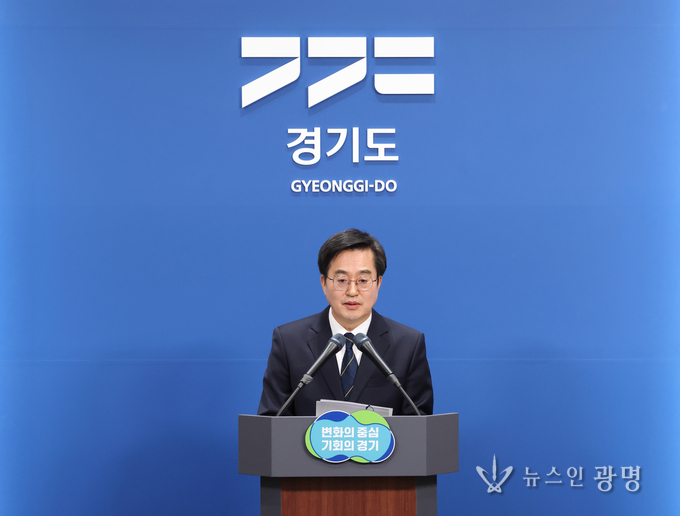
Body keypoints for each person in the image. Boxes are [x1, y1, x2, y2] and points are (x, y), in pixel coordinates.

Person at [257, 229, 434, 416]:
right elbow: (272, 421)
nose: (352, 291)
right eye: (341, 280)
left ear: (378, 282)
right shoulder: (289, 342)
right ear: (324, 283)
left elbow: (419, 425)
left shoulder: (408, 345)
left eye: (363, 280)